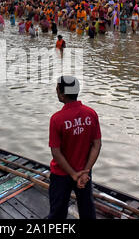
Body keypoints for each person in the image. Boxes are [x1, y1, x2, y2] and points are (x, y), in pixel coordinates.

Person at [48, 76, 102, 219]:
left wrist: (72, 174)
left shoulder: (57, 119)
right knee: (87, 210)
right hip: (84, 171)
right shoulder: (91, 114)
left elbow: (56, 152)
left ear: (62, 94)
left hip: (61, 174)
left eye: (57, 89)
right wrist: (86, 171)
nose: (56, 91)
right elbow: (97, 145)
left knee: (57, 213)